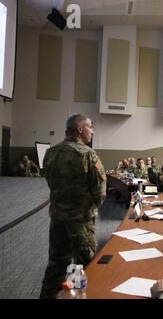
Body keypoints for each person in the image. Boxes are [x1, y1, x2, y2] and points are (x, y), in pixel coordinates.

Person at [39, 114, 106, 299]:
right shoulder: (88, 154)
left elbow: (50, 181)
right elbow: (100, 193)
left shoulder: (51, 152)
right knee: (87, 265)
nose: (92, 131)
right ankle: (81, 295)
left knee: (57, 264)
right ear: (79, 129)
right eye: (90, 127)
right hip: (81, 221)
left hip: (58, 218)